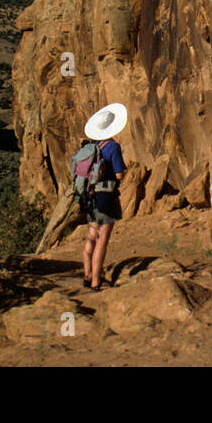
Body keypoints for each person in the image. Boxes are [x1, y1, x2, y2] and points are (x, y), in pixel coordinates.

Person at [81, 103, 128, 291]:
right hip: (106, 198)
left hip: (89, 196)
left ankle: (87, 275)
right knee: (102, 240)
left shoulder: (90, 147)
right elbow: (119, 174)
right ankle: (96, 282)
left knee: (91, 236)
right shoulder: (112, 147)